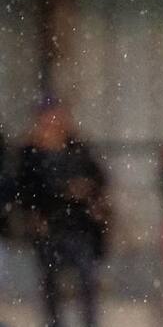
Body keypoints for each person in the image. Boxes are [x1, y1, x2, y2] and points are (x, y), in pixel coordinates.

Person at [16, 99, 111, 327]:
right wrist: (63, 191)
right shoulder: (31, 153)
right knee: (51, 284)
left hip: (79, 225)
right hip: (50, 225)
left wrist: (87, 190)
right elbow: (28, 188)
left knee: (87, 281)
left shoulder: (77, 148)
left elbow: (98, 177)